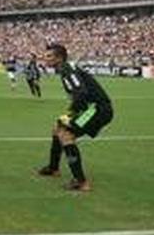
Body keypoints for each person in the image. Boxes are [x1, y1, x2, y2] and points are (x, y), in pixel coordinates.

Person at [36, 43, 114, 192]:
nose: (45, 59)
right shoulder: (65, 68)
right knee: (58, 127)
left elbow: (80, 93)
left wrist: (72, 113)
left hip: (97, 109)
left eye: (49, 56)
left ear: (59, 58)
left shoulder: (67, 69)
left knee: (66, 134)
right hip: (92, 108)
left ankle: (81, 182)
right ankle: (53, 168)